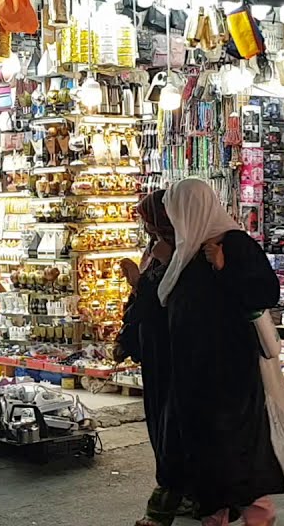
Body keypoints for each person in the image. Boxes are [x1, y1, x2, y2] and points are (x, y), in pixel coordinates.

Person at [154, 178, 284, 526]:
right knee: (206, 445)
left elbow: (265, 293)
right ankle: (217, 512)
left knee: (235, 444)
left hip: (228, 370)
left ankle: (258, 513)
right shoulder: (187, 249)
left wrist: (223, 268)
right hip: (194, 370)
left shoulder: (233, 242)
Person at [116, 190, 191, 526]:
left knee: (171, 426)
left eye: (148, 218)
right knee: (161, 421)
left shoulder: (185, 251)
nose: (145, 226)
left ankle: (165, 504)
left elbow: (156, 300)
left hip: (173, 351)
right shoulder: (162, 248)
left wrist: (141, 277)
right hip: (155, 350)